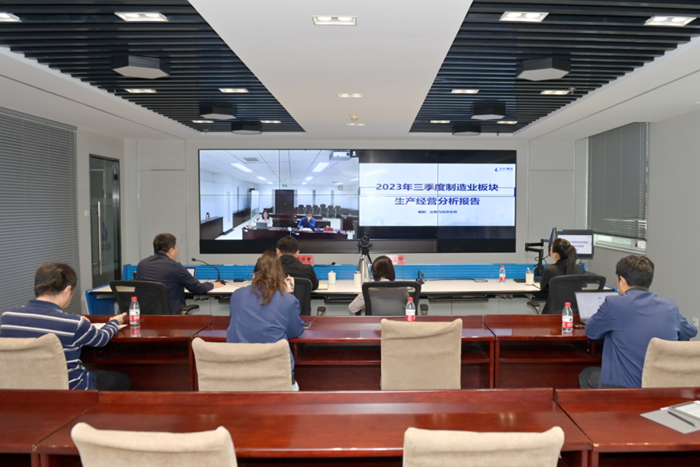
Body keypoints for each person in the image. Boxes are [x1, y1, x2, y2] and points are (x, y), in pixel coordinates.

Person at [0, 262, 131, 390]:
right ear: (67, 290)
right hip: (71, 391)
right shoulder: (74, 323)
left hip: (21, 390)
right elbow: (101, 338)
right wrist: (114, 322)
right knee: (123, 380)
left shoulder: (7, 318)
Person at [579, 255, 697, 389]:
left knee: (586, 375)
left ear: (622, 281)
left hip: (624, 389)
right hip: (661, 388)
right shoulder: (670, 307)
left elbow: (591, 331)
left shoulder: (614, 304)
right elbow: (691, 331)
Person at [226, 251, 304, 386]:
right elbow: (295, 332)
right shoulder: (288, 300)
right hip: (275, 375)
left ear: (254, 275)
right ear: (281, 277)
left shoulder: (237, 295)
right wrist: (289, 293)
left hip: (240, 372)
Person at [136, 233, 223, 315]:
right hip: (171, 317)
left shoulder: (142, 264)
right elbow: (198, 288)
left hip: (146, 317)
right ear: (171, 251)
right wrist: (213, 284)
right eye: (176, 248)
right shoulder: (174, 266)